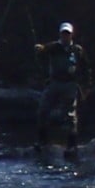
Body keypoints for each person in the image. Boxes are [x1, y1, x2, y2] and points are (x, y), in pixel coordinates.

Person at [36, 22, 89, 154]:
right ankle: (42, 142)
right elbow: (42, 51)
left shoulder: (77, 50)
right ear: (60, 34)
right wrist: (39, 49)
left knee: (70, 116)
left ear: (72, 35)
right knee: (43, 110)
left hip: (70, 85)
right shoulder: (54, 47)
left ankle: (71, 146)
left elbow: (86, 69)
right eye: (63, 34)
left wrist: (86, 86)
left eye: (68, 34)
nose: (66, 36)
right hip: (54, 83)